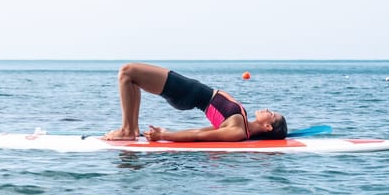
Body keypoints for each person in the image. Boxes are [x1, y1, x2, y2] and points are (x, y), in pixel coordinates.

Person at [103, 63, 287, 142]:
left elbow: (199, 134)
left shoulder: (238, 131)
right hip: (189, 89)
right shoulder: (243, 124)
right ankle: (132, 129)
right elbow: (208, 131)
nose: (267, 110)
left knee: (127, 72)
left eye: (271, 114)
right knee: (132, 77)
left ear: (268, 127)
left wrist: (164, 136)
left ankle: (126, 130)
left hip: (186, 93)